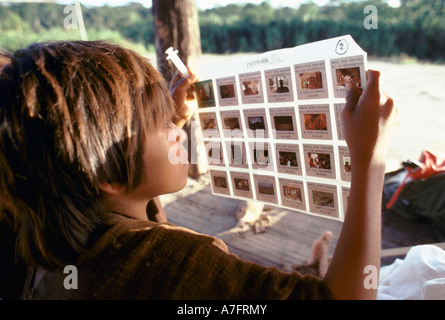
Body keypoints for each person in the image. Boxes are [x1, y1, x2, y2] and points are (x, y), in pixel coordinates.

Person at [0, 40, 397, 300]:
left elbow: (122, 183)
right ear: (107, 169)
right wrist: (369, 161)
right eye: (163, 124)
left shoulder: (48, 231)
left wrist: (166, 113)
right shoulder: (173, 263)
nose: (178, 129)